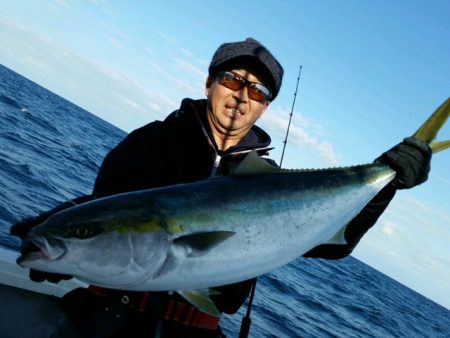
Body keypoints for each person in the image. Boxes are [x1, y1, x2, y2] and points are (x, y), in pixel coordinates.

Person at [11, 38, 432, 338]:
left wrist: (385, 183)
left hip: (198, 330)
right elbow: (110, 206)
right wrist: (56, 228)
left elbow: (331, 245)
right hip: (106, 316)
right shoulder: (153, 142)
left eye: (257, 89)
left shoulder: (268, 181)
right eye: (232, 79)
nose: (241, 95)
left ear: (265, 105)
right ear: (209, 83)